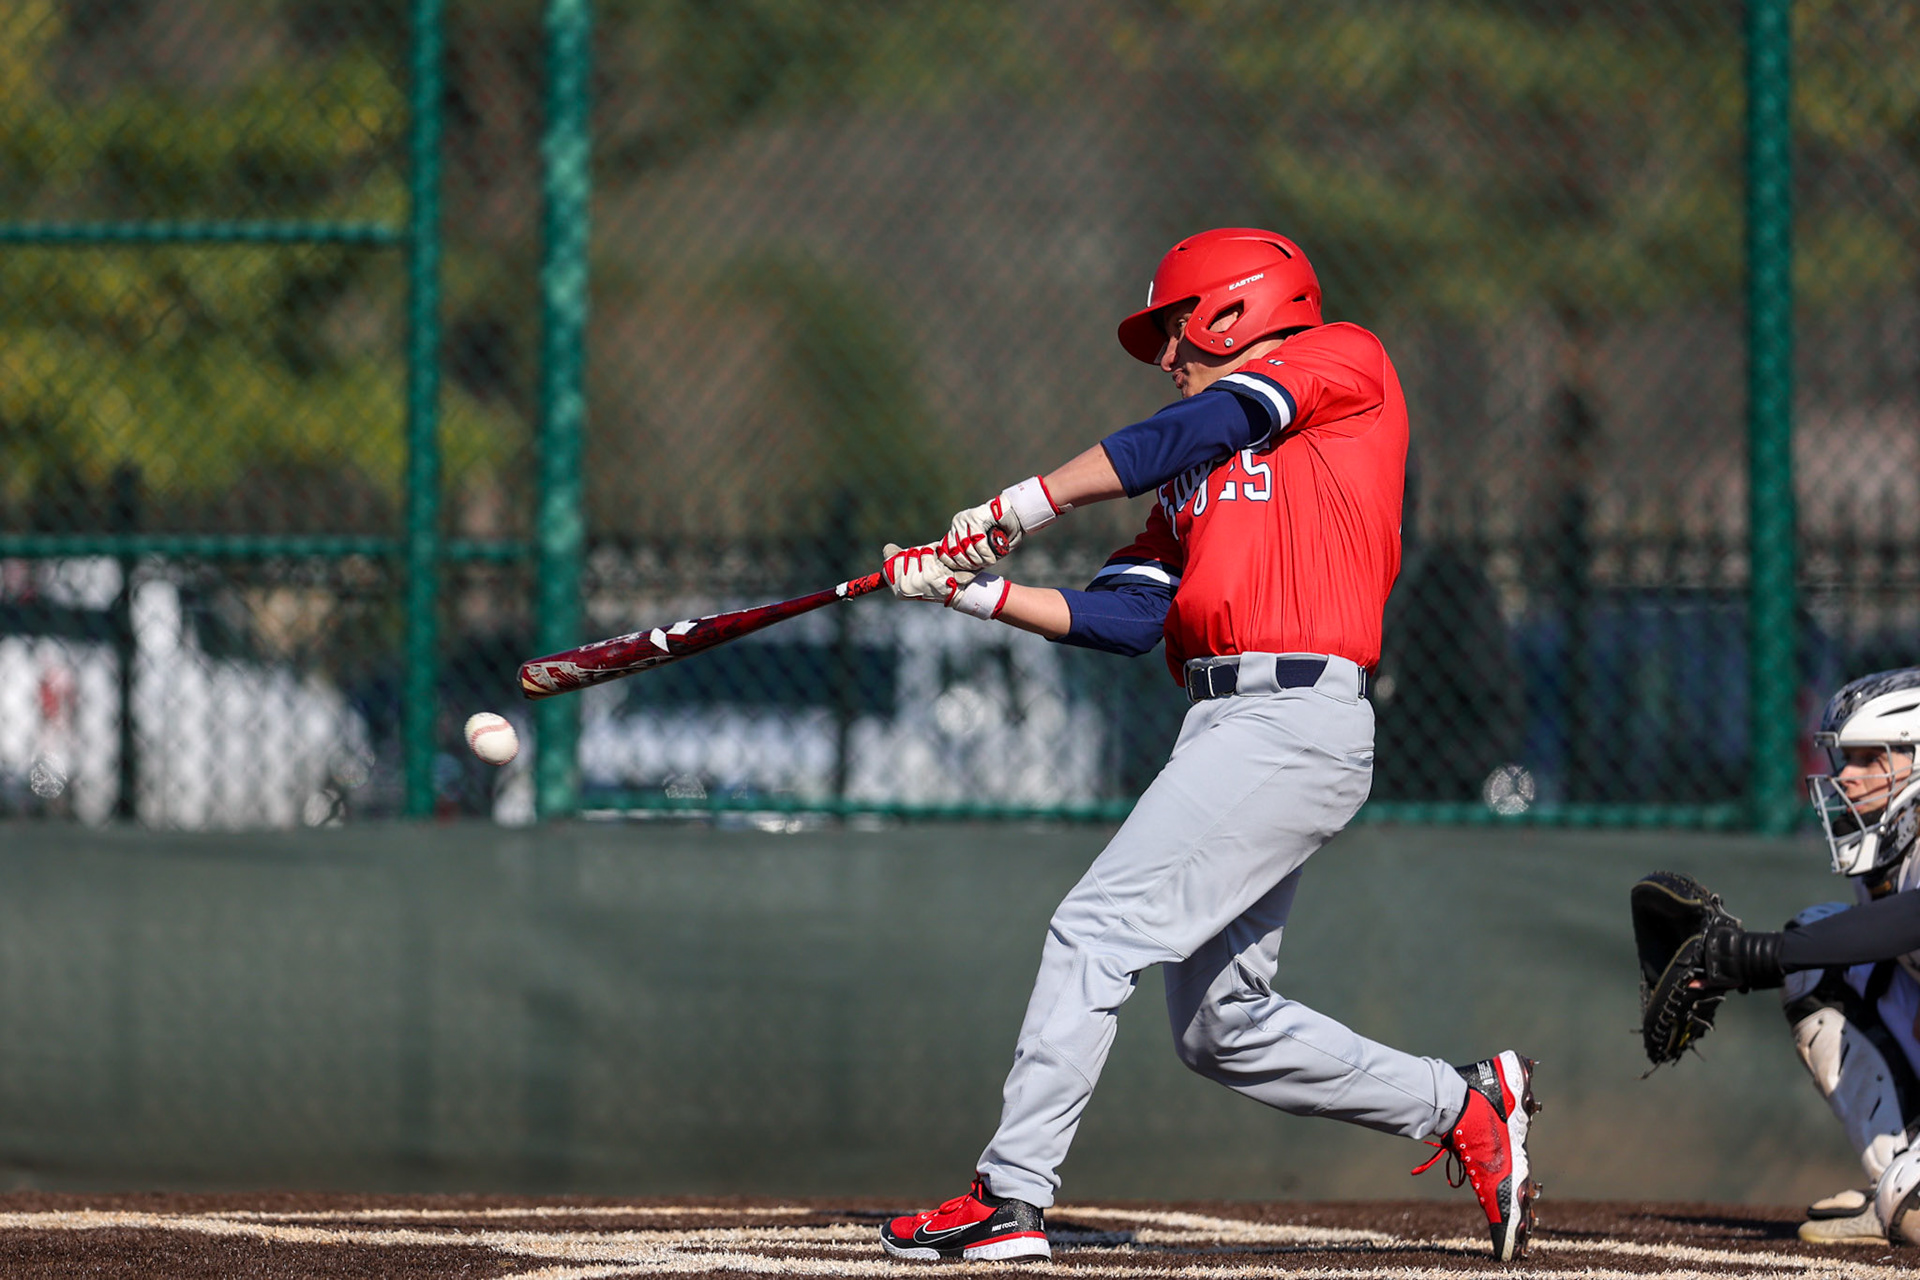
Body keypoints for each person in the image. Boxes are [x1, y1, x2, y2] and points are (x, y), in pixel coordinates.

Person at [875, 228, 1539, 1263]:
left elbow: (1200, 421)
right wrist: (976, 590)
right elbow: (1128, 616)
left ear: (1235, 309)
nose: (1169, 357)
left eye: (1175, 330)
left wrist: (1017, 506)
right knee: (1221, 1024)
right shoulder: (1195, 471)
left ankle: (1010, 1197)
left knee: (1095, 929)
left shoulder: (1340, 360)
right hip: (1225, 721)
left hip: (1295, 711)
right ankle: (1463, 1102)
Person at [1676, 668, 1920, 1246]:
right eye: (1847, 760)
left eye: (1871, 759)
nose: (1849, 778)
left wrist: (1760, 956)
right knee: (1821, 955)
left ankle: (1902, 1195)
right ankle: (1897, 1182)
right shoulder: (1890, 856)